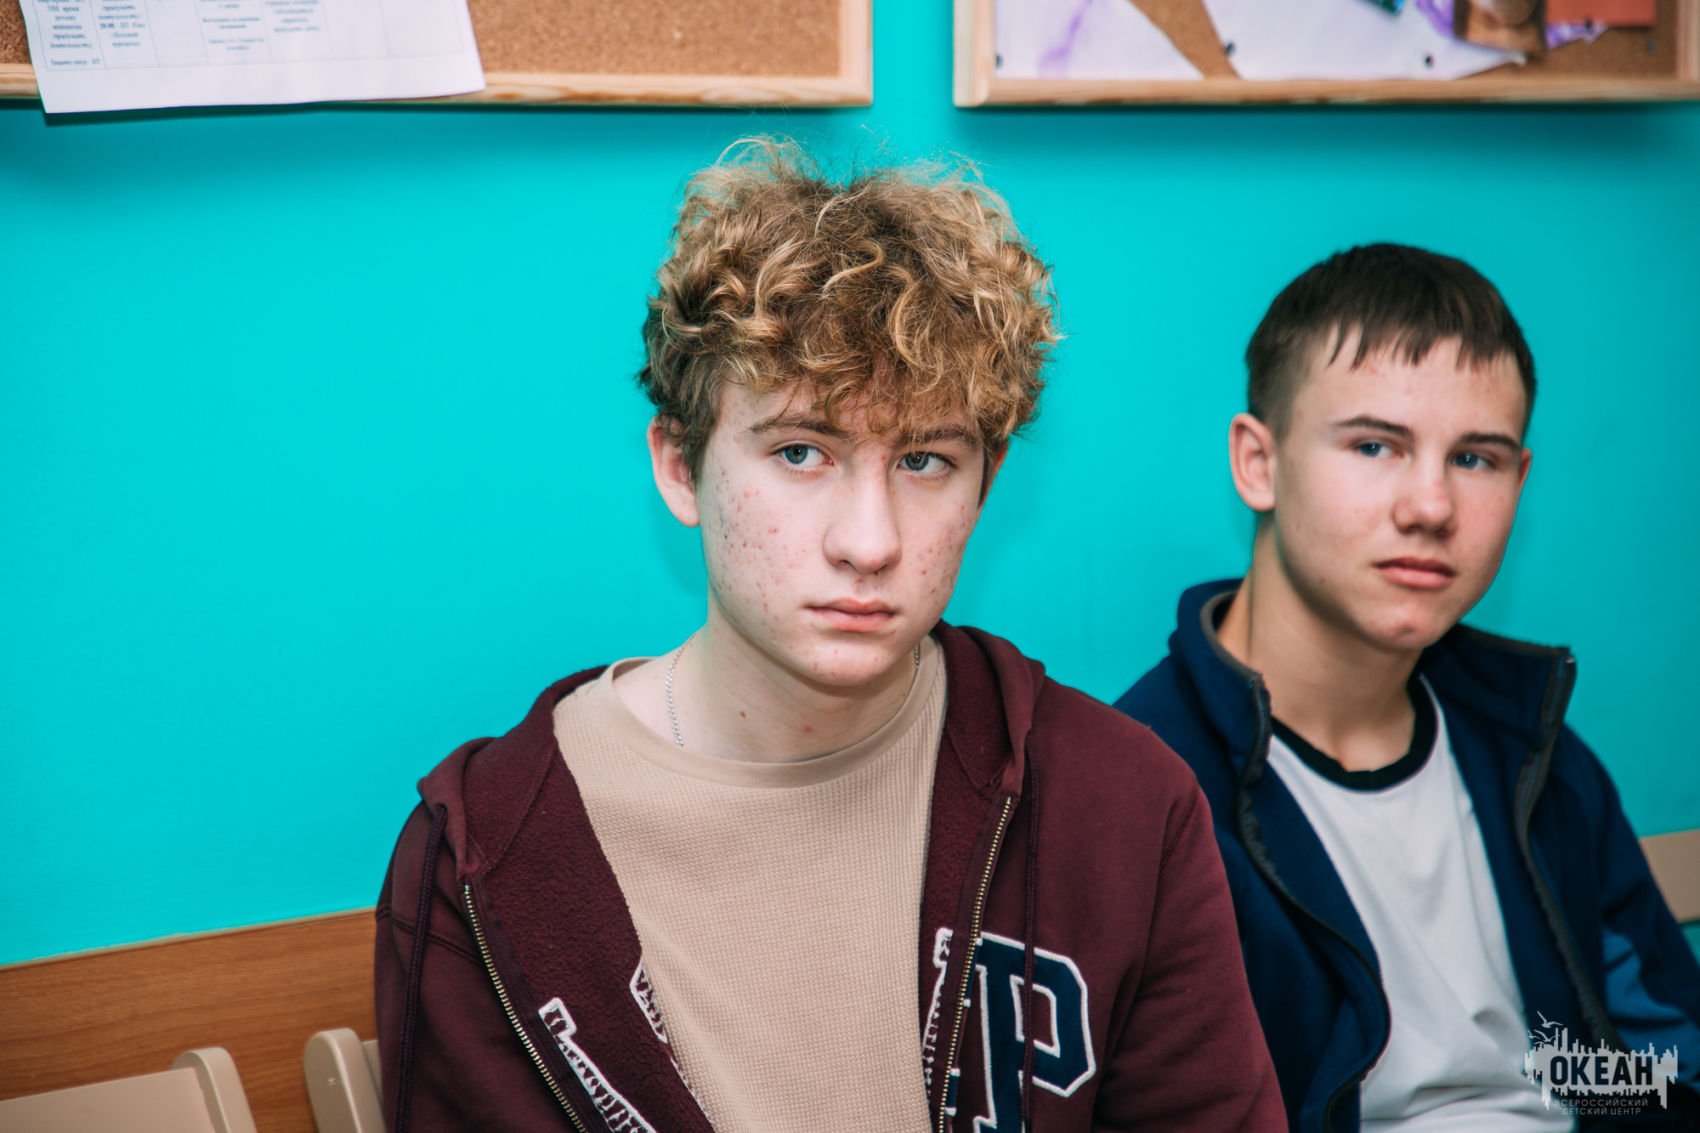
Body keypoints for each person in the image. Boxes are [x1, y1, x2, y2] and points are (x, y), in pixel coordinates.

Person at [374, 140, 1283, 1133]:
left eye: (925, 460)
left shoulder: (1117, 806)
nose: (869, 541)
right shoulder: (485, 853)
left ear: (985, 486)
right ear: (680, 466)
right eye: (801, 451)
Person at [1115, 243, 1700, 1131]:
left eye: (1476, 459)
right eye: (1375, 445)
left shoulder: (1535, 758)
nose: (1430, 506)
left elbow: (1654, 1066)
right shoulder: (1144, 790)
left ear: (1520, 481)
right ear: (1258, 463)